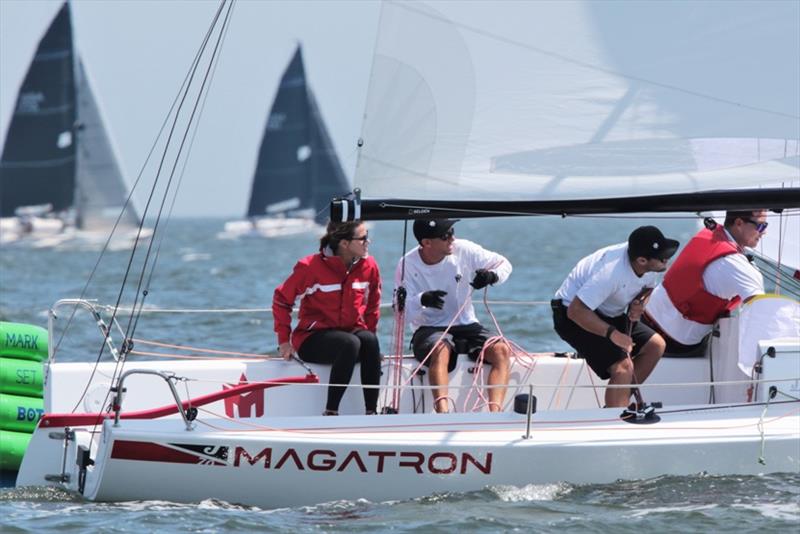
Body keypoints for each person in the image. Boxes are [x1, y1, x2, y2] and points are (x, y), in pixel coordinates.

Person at [551, 226, 679, 408]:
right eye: (662, 257)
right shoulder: (610, 273)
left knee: (656, 346)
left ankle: (617, 406)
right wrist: (614, 335)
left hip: (608, 311)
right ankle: (615, 419)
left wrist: (640, 302)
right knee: (623, 367)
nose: (667, 259)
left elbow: (647, 288)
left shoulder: (648, 265)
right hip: (570, 315)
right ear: (642, 260)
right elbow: (576, 311)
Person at [395, 219, 512, 413]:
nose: (452, 238)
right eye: (445, 235)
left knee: (501, 350)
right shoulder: (407, 264)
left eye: (452, 231)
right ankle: (443, 414)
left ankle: (495, 413)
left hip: (466, 324)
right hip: (428, 328)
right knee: (441, 349)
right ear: (426, 243)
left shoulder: (463, 249)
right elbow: (401, 314)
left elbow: (503, 264)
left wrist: (492, 276)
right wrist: (422, 299)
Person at [273, 220, 382, 415]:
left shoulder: (369, 265)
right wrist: (284, 341)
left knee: (370, 341)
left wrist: (371, 348)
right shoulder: (309, 267)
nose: (368, 242)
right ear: (345, 244)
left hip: (350, 332)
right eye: (363, 238)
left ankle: (371, 412)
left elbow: (373, 304)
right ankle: (331, 412)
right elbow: (282, 300)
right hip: (312, 338)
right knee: (349, 343)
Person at [644, 210, 767, 354]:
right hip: (672, 342)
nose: (764, 232)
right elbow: (762, 310)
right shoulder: (737, 264)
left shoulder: (710, 234)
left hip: (645, 318)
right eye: (761, 226)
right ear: (739, 223)